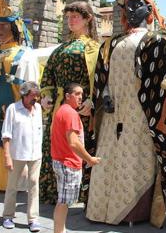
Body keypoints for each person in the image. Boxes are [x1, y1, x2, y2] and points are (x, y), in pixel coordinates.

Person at [86, 0, 166, 227]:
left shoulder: (154, 41)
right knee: (111, 159)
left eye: (137, 6)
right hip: (113, 112)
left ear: (148, 12)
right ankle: (103, 209)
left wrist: (151, 116)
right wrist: (103, 95)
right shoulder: (110, 43)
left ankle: (130, 213)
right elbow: (100, 76)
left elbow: (161, 81)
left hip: (140, 115)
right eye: (128, 7)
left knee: (134, 161)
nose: (131, 12)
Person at [0, 0, 40, 191]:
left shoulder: (25, 54)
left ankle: (15, 183)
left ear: (15, 28)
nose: (0, 29)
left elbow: (32, 85)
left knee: (15, 146)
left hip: (16, 110)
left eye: (5, 26)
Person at [39, 1, 99, 204]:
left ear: (87, 19)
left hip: (81, 107)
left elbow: (100, 78)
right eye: (68, 17)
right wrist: (45, 95)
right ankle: (52, 190)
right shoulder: (61, 47)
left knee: (78, 146)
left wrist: (92, 100)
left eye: (75, 17)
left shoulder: (94, 48)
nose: (70, 21)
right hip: (58, 107)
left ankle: (80, 192)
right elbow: (48, 75)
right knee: (54, 147)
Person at [51, 83, 100, 233]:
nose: (81, 97)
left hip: (61, 161)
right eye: (77, 94)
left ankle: (61, 230)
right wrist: (90, 159)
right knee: (64, 202)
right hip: (68, 163)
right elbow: (73, 143)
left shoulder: (63, 111)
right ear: (67, 95)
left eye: (82, 94)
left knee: (63, 200)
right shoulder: (70, 113)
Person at [1, 81, 43, 232]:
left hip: (35, 154)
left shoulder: (38, 108)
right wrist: (7, 156)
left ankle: (33, 218)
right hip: (17, 153)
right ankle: (8, 215)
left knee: (33, 185)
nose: (36, 99)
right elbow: (6, 134)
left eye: (37, 96)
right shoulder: (13, 109)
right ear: (24, 95)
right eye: (33, 96)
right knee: (12, 185)